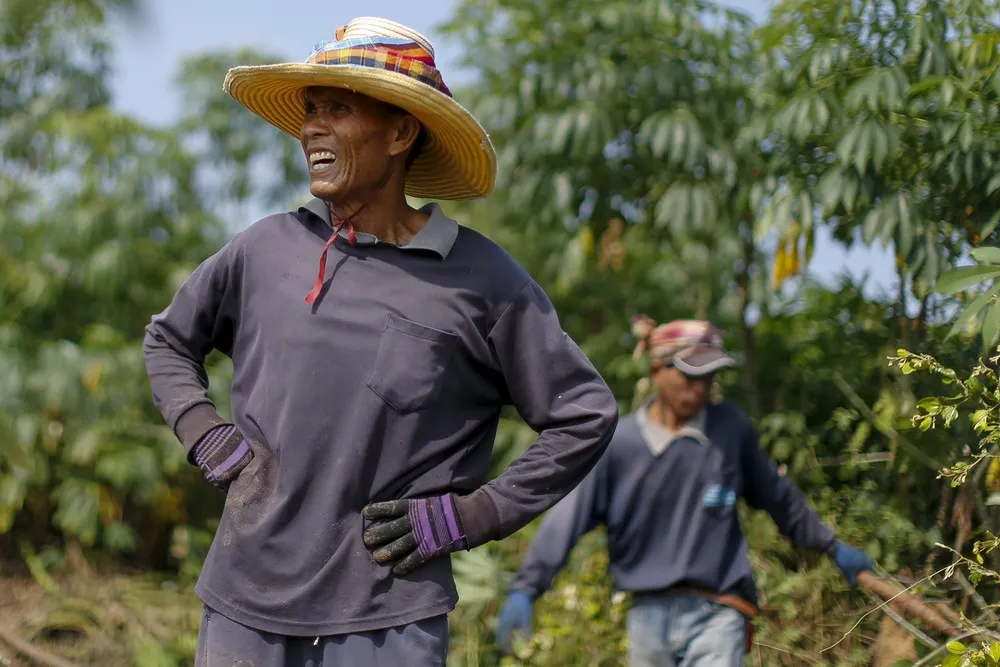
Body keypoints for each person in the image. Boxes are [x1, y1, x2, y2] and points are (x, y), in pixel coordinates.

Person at [142, 17, 618, 667]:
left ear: (400, 131)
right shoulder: (267, 249)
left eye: (337, 109)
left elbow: (583, 413)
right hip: (244, 601)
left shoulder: (482, 280)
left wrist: (471, 516)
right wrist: (205, 432)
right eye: (310, 111)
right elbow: (168, 340)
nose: (312, 128)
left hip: (389, 618)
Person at [495, 316, 874, 667]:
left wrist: (830, 545)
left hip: (718, 612)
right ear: (657, 371)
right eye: (690, 376)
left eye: (709, 378)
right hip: (648, 616)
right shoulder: (620, 445)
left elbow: (780, 499)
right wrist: (526, 590)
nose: (700, 388)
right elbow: (568, 520)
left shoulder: (729, 431)